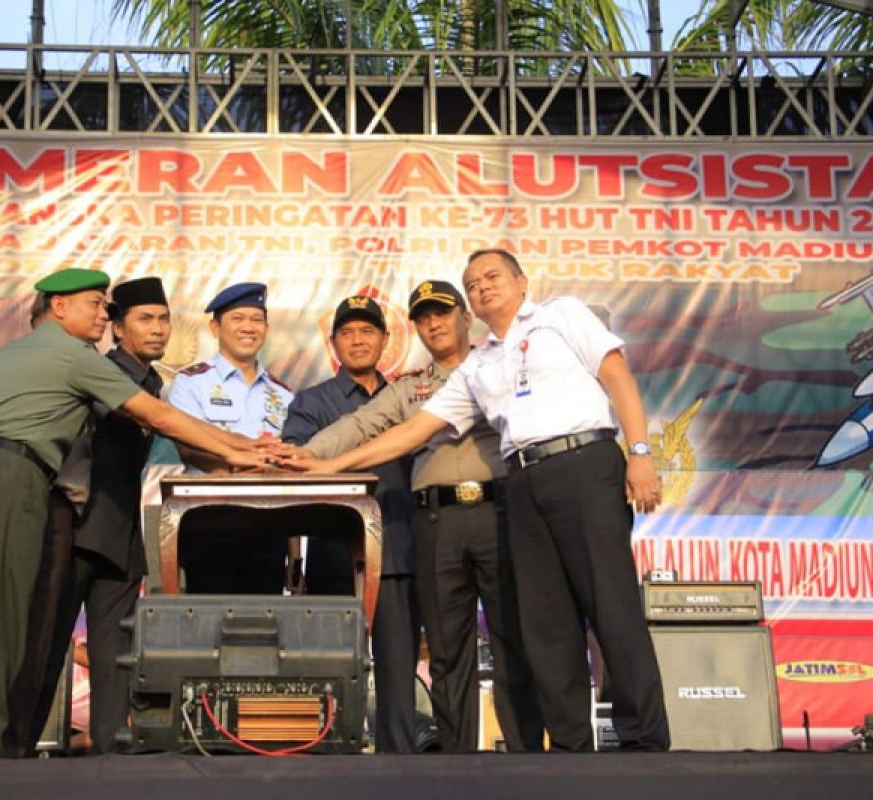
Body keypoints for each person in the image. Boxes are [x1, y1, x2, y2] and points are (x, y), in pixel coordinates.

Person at [295, 250, 669, 752]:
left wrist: (640, 452)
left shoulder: (562, 315)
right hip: (520, 485)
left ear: (520, 281)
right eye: (473, 283)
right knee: (546, 624)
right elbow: (408, 431)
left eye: (491, 278)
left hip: (583, 463)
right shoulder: (480, 367)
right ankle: (569, 748)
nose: (483, 287)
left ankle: (644, 741)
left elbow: (617, 374)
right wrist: (323, 466)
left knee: (611, 607)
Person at [0, 268, 270, 760]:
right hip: (28, 492)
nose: (101, 314)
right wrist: (241, 452)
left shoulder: (3, 355)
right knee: (2, 629)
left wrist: (237, 451)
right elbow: (159, 418)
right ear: (58, 307)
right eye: (96, 305)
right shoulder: (79, 359)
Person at [301, 281, 542, 753]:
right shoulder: (412, 387)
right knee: (449, 650)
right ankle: (454, 761)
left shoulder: (503, 366)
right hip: (436, 523)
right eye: (423, 317)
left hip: (499, 513)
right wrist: (301, 457)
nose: (433, 324)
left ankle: (525, 755)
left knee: (512, 639)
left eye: (442, 313)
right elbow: (358, 425)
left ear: (465, 317)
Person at [38, 276, 170, 754]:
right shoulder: (100, 371)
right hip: (73, 529)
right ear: (116, 327)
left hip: (119, 534)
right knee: (46, 646)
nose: (157, 329)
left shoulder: (153, 380)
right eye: (145, 319)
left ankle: (113, 752)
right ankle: (12, 750)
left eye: (163, 318)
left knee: (116, 655)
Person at [281, 295, 419, 754]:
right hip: (336, 554)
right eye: (348, 332)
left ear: (385, 339)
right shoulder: (312, 401)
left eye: (367, 331)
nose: (358, 340)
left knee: (399, 671)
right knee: (331, 671)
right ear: (334, 342)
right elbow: (294, 469)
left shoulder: (414, 397)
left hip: (400, 550)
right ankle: (329, 760)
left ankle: (401, 765)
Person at [166, 282, 296, 594]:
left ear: (266, 327)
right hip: (210, 519)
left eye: (256, 319)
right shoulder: (190, 382)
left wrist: (294, 552)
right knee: (209, 626)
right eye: (238, 319)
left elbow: (291, 464)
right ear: (215, 327)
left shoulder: (283, 393)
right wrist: (247, 461)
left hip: (271, 522)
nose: (248, 328)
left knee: (265, 627)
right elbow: (190, 448)